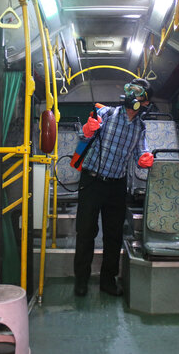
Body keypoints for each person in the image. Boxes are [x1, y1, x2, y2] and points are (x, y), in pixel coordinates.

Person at [73, 78, 155, 297]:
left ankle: (107, 281)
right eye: (129, 90)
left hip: (117, 185)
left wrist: (145, 158)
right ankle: (81, 280)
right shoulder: (106, 114)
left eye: (136, 92)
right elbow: (85, 134)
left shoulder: (140, 127)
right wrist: (88, 130)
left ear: (144, 103)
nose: (130, 95)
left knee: (113, 235)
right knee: (86, 232)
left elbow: (141, 152)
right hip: (92, 180)